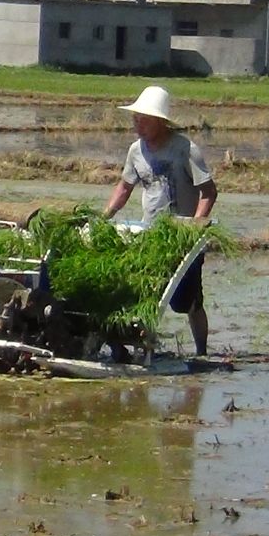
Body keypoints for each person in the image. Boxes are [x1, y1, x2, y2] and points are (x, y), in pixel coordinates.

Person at [101, 85, 217, 356]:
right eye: (136, 118)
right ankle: (141, 347)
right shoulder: (135, 151)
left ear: (161, 121)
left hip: (182, 237)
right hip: (149, 234)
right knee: (144, 292)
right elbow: (124, 188)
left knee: (187, 301)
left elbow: (208, 191)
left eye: (144, 119)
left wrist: (196, 225)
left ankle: (201, 352)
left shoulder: (185, 149)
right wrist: (104, 216)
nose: (137, 124)